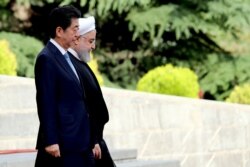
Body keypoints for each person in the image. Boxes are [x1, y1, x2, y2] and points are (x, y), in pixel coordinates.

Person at [34, 6, 94, 167]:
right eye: (75, 29)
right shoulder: (46, 58)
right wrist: (51, 140)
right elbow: (46, 101)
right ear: (59, 31)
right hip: (64, 144)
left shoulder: (67, 57)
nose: (77, 34)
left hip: (80, 141)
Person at [67, 16, 116, 167]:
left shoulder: (78, 63)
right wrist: (92, 140)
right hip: (89, 143)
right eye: (90, 41)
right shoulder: (70, 65)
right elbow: (79, 108)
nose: (93, 46)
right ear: (76, 39)